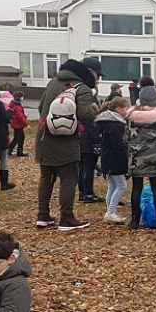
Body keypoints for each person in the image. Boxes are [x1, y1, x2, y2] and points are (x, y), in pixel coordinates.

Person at [35, 57, 101, 231]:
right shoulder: (82, 88)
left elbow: (41, 106)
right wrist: (97, 111)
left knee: (46, 176)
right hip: (66, 140)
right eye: (98, 74)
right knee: (68, 178)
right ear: (89, 71)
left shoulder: (53, 82)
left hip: (44, 134)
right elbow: (85, 113)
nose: (98, 79)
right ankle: (67, 218)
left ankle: (42, 216)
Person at [125, 86, 156, 231]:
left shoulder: (131, 116)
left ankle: (134, 220)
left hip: (135, 156)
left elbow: (126, 137)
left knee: (136, 187)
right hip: (153, 155)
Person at [97, 97, 130, 223]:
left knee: (112, 185)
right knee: (121, 185)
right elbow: (118, 144)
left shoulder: (105, 121)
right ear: (118, 109)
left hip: (107, 157)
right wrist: (124, 159)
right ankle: (110, 212)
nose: (127, 111)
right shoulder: (116, 124)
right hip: (114, 158)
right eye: (126, 109)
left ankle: (111, 211)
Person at [78, 106, 103, 204]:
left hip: (81, 145)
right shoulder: (92, 123)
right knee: (89, 169)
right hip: (89, 147)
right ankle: (88, 193)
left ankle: (82, 192)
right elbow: (94, 135)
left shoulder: (82, 121)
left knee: (82, 168)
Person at [7, 91, 29, 158]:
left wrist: (25, 116)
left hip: (17, 124)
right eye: (22, 97)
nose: (23, 98)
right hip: (18, 125)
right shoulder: (17, 106)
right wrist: (26, 124)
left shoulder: (16, 105)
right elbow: (20, 116)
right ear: (19, 98)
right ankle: (9, 150)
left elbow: (20, 115)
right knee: (17, 138)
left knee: (21, 137)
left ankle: (19, 151)